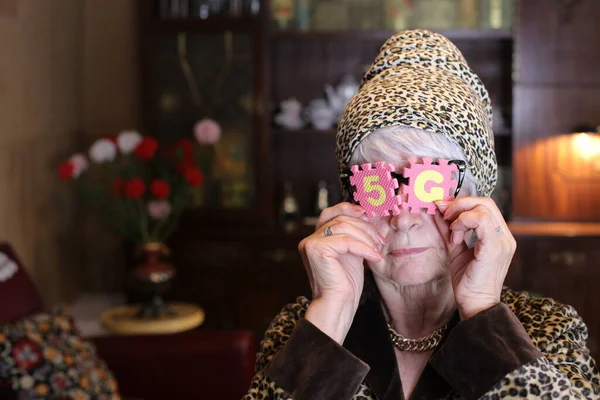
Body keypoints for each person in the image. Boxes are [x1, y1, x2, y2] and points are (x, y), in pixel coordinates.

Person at [242, 30, 600, 400]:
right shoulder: (302, 326)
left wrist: (483, 315)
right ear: (350, 203)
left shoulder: (546, 329)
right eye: (377, 186)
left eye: (430, 185)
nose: (403, 217)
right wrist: (332, 313)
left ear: (476, 200)